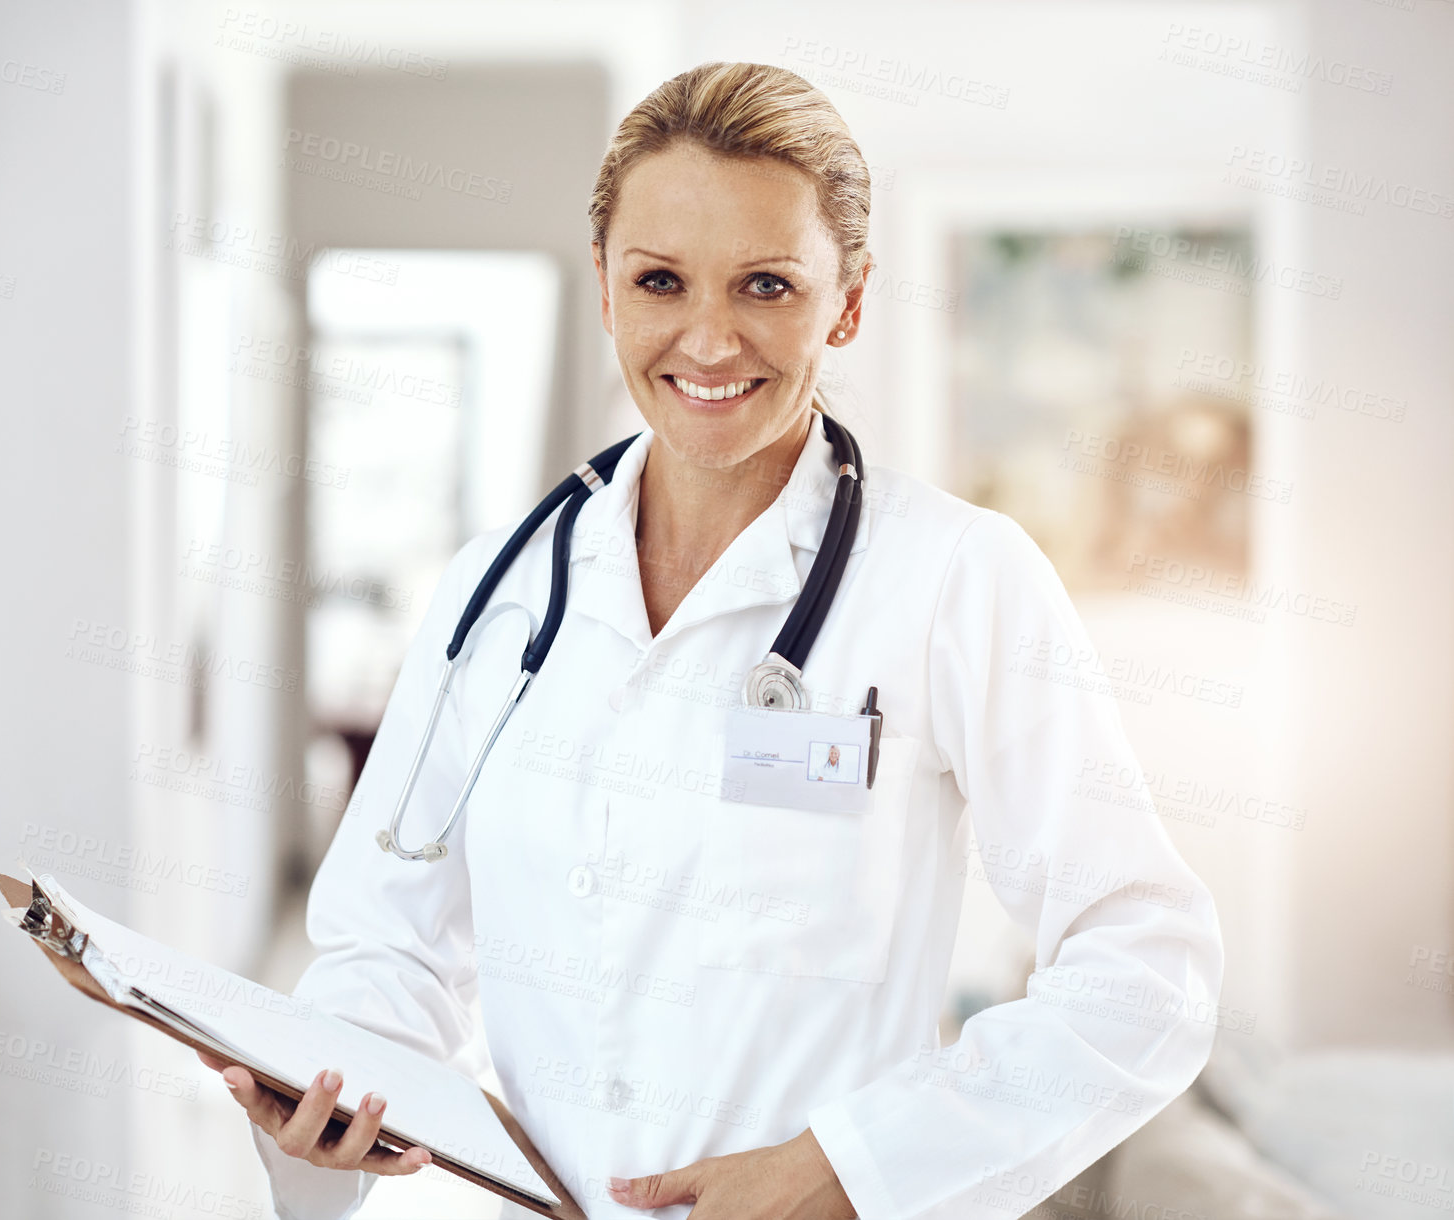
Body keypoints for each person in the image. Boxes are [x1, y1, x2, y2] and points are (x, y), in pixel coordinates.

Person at [201, 61, 1224, 1220]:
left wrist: (848, 1166)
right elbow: (385, 937)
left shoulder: (955, 580)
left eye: (766, 285)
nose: (707, 337)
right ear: (603, 287)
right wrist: (342, 1080)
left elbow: (1150, 966)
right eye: (658, 280)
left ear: (846, 300)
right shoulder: (497, 588)